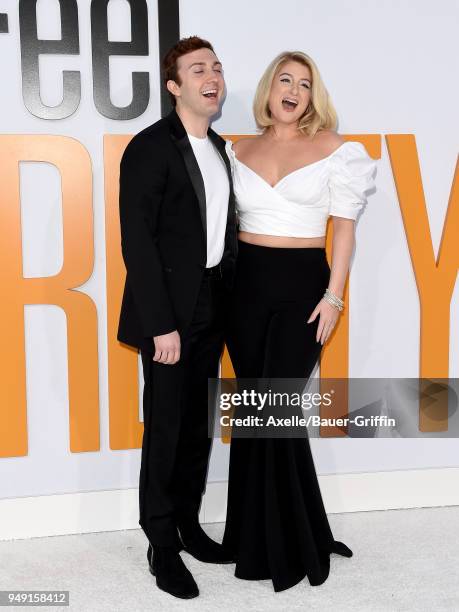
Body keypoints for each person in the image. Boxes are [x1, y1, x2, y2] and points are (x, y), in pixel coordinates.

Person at [222, 51, 377, 592]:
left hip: (304, 285)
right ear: (269, 89)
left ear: (313, 96)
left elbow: (344, 231)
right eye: (285, 80)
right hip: (245, 287)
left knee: (278, 408)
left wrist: (333, 298)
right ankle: (249, 535)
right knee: (252, 408)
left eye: (305, 84)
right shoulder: (235, 149)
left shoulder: (336, 150)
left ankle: (294, 539)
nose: (293, 90)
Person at [117, 36, 237, 599]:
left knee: (196, 425)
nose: (211, 77)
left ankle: (188, 524)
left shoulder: (219, 148)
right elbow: (137, 244)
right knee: (166, 426)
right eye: (197, 69)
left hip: (213, 304)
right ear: (174, 86)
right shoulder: (149, 147)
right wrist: (161, 323)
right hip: (170, 313)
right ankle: (161, 543)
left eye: (216, 68)